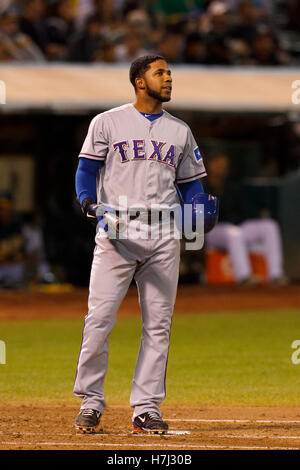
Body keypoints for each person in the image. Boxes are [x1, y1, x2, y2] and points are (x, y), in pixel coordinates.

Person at [73, 54, 208, 434]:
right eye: (160, 72)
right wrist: (87, 202)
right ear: (138, 80)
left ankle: (146, 407)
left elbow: (191, 183)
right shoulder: (108, 122)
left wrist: (198, 205)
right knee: (99, 318)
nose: (168, 78)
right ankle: (91, 401)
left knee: (158, 325)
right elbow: (86, 169)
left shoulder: (180, 130)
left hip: (165, 233)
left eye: (169, 73)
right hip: (117, 230)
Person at [203, 152, 287, 285]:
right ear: (209, 165)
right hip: (213, 230)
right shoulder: (202, 188)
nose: (221, 167)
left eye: (224, 164)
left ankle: (276, 275)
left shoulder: (232, 185)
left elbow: (245, 209)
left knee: (270, 226)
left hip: (236, 227)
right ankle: (244, 277)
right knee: (233, 233)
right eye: (217, 163)